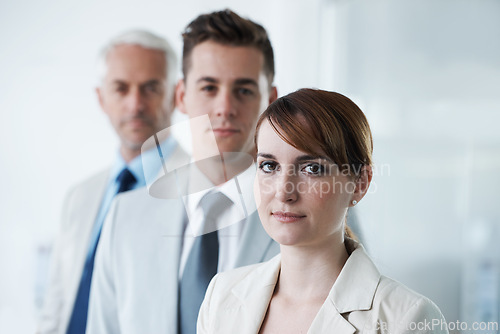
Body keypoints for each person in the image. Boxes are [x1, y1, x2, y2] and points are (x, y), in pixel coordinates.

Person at [86, 10, 280, 334]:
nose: (224, 107)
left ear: (270, 100)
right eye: (208, 87)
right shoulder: (125, 216)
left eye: (244, 90)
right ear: (181, 96)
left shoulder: (312, 212)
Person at [198, 89, 448, 334]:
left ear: (360, 184)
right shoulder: (221, 296)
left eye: (312, 169)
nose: (284, 192)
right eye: (269, 165)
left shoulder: (408, 319)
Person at [37, 30, 187, 334]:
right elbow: (57, 303)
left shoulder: (198, 191)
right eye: (121, 88)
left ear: (176, 95)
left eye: (150, 88)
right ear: (101, 98)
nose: (135, 104)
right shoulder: (80, 196)